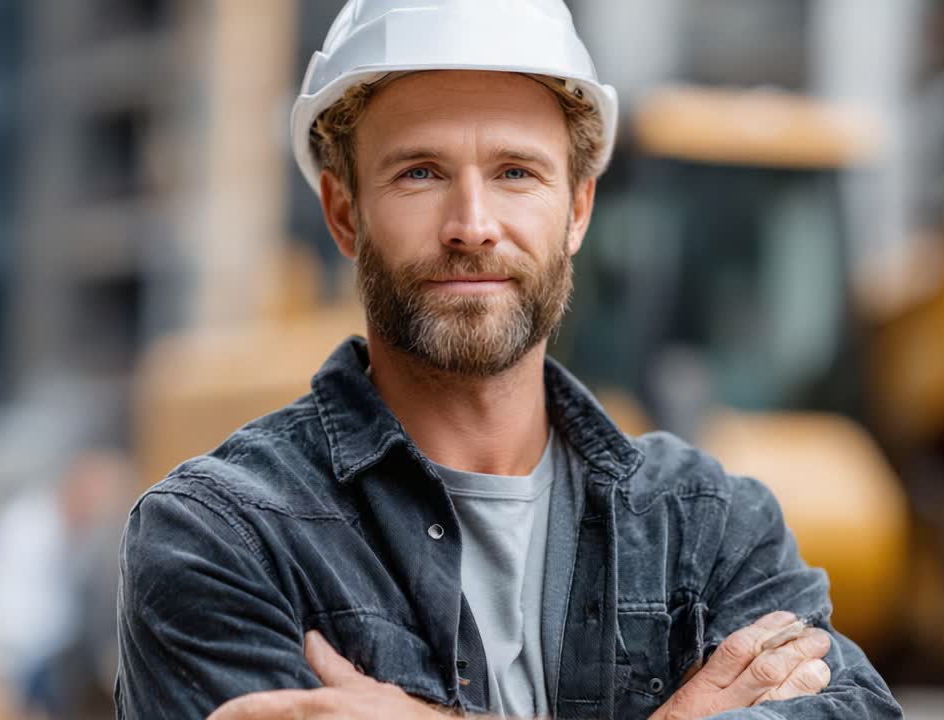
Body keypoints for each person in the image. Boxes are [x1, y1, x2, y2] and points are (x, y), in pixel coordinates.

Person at [114, 2, 902, 718]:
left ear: (578, 210)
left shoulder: (712, 528)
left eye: (515, 173)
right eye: (420, 172)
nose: (473, 224)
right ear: (344, 213)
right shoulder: (222, 537)